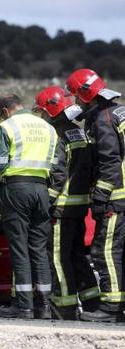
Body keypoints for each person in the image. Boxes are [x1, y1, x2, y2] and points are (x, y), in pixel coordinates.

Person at [34, 85, 100, 320]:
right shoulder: (80, 133)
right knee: (77, 256)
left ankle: (64, 305)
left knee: (58, 257)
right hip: (81, 206)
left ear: (51, 111)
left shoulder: (57, 136)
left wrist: (46, 203)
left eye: (42, 112)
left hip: (61, 208)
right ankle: (92, 302)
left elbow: (58, 174)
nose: (41, 117)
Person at [66, 68, 125, 322]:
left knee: (106, 252)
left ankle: (111, 309)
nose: (76, 102)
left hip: (116, 198)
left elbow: (110, 162)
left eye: (77, 97)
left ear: (87, 95)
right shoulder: (118, 112)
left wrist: (100, 196)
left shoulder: (103, 119)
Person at [0, 94, 57, 319]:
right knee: (38, 248)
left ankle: (24, 307)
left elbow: (0, 165)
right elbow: (56, 164)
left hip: (17, 188)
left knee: (19, 248)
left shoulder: (7, 126)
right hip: (42, 190)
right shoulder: (48, 127)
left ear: (5, 111)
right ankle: (45, 306)